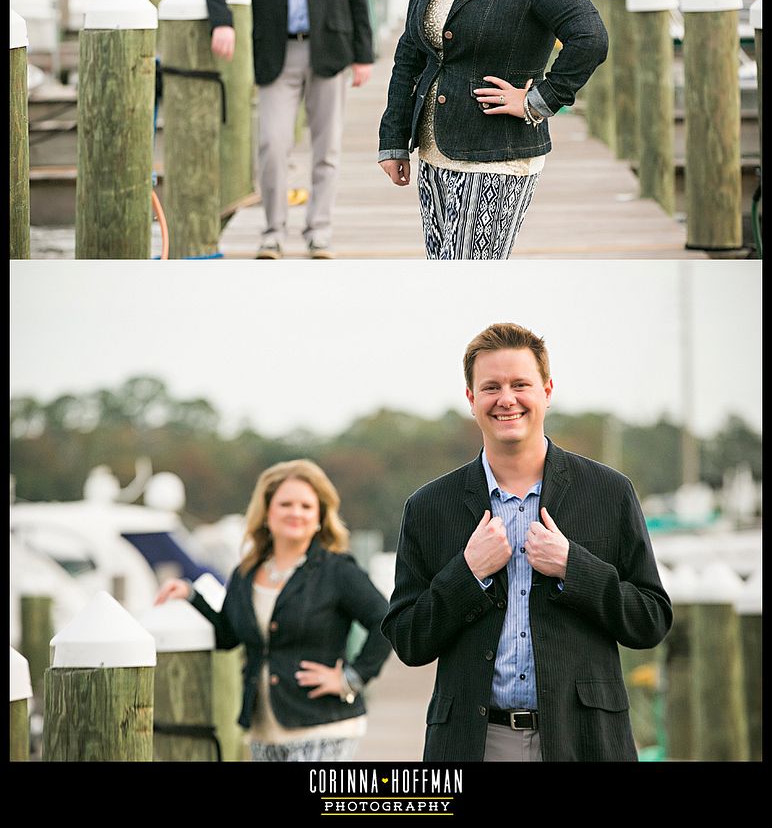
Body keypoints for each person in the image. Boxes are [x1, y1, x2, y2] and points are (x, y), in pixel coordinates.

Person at [382, 323, 672, 761]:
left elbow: (651, 619)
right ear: (471, 399)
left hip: (584, 739)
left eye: (521, 384)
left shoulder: (609, 492)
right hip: (472, 744)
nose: (507, 399)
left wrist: (575, 568)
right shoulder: (427, 507)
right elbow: (407, 639)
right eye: (491, 387)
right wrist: (468, 573)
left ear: (547, 390)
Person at [378, 0, 608, 260]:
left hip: (496, 155)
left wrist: (539, 101)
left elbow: (590, 36)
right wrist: (393, 138)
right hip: (433, 151)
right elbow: (409, 55)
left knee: (469, 268)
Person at [155, 459, 391, 762]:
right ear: (267, 512)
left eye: (306, 506)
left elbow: (385, 620)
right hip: (262, 730)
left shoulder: (336, 570)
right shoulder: (246, 573)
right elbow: (227, 635)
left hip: (324, 726)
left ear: (320, 515)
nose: (296, 513)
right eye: (286, 504)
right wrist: (191, 595)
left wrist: (350, 678)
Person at [205, 0, 374, 260]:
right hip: (277, 55)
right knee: (272, 145)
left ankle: (319, 231)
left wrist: (363, 54)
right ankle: (272, 232)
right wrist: (221, 22)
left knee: (327, 149)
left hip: (330, 51)